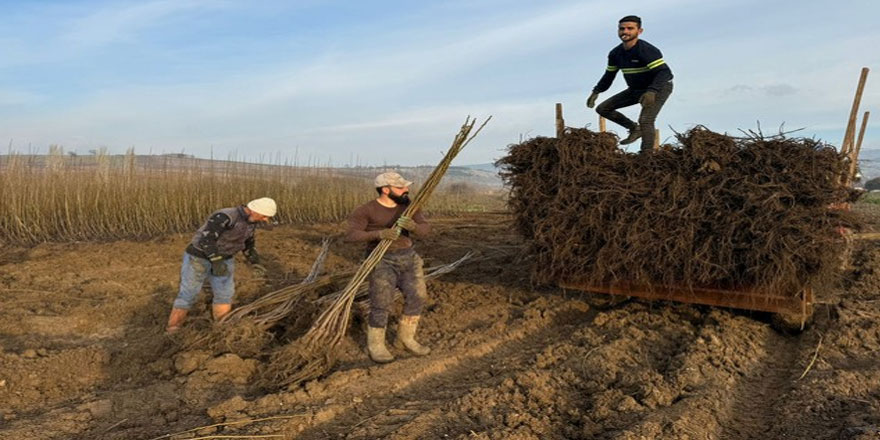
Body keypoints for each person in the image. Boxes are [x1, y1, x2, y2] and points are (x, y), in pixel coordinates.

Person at [345, 172, 432, 363]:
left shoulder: (409, 207)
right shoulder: (366, 210)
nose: (406, 190)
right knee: (381, 302)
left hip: (409, 258)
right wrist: (379, 234)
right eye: (400, 187)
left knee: (418, 297)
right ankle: (376, 345)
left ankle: (406, 338)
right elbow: (351, 235)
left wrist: (414, 226)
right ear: (386, 189)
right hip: (381, 260)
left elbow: (426, 229)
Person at [165, 197, 276, 333]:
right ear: (255, 211)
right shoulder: (225, 216)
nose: (265, 220)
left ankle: (221, 328)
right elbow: (206, 240)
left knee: (225, 294)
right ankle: (173, 330)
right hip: (199, 257)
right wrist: (216, 260)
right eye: (264, 216)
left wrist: (255, 263)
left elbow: (248, 244)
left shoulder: (251, 222)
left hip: (225, 257)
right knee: (189, 293)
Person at [586, 15, 674, 152]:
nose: (625, 32)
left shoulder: (646, 50)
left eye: (630, 28)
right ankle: (634, 129)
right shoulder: (615, 54)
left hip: (659, 87)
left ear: (639, 31)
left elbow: (665, 73)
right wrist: (596, 91)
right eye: (622, 29)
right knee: (603, 108)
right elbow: (609, 75)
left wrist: (652, 91)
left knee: (646, 120)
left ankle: (646, 155)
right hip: (635, 89)